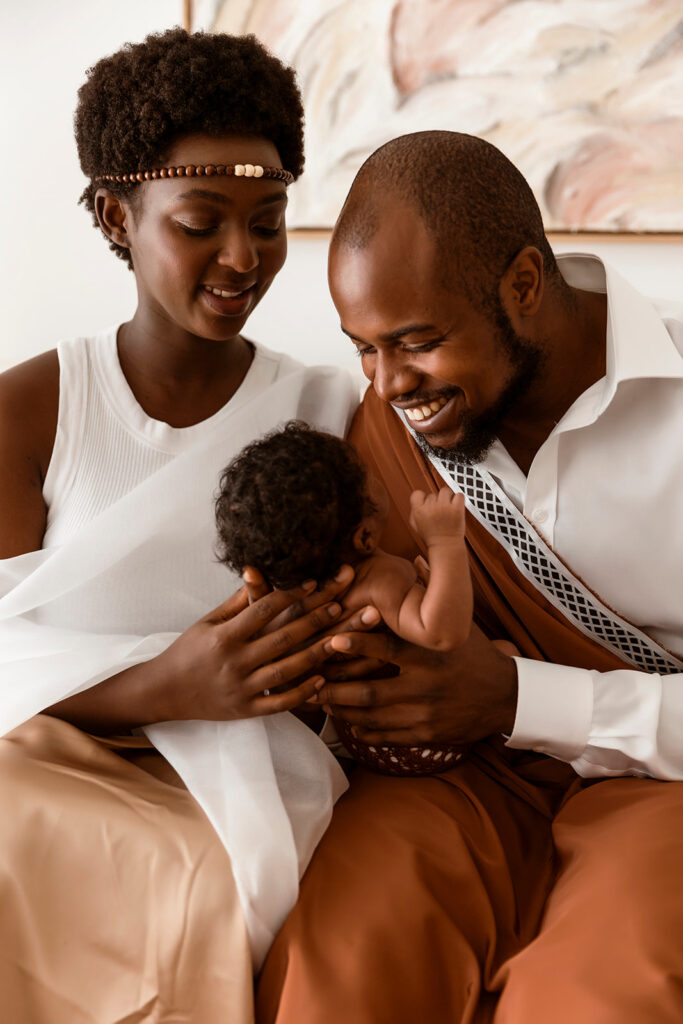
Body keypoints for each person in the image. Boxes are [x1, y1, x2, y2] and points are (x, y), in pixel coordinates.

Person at [256, 131, 683, 1023]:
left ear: (522, 285)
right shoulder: (374, 432)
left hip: (660, 788)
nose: (385, 386)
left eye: (415, 342)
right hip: (454, 778)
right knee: (338, 970)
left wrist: (517, 698)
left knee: (596, 995)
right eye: (363, 348)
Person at [0, 28, 366, 1024]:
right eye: (201, 220)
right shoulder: (33, 409)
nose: (242, 257)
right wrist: (167, 685)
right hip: (47, 757)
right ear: (117, 215)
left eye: (270, 219)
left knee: (202, 886)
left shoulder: (329, 411)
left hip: (242, 776)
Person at [215, 419, 472, 774]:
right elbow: (443, 632)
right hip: (422, 740)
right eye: (368, 474)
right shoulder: (380, 579)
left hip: (360, 738)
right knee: (506, 653)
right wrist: (445, 542)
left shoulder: (299, 594)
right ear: (365, 536)